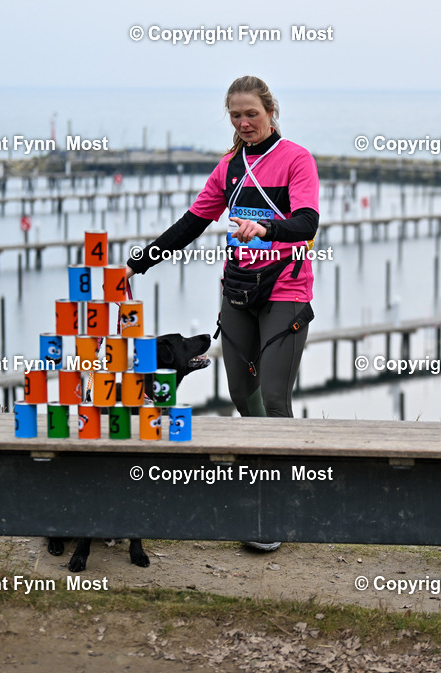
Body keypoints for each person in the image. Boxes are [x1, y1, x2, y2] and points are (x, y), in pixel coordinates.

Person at [126, 75, 320, 553]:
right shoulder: (229, 167)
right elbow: (193, 221)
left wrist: (266, 228)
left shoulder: (297, 159)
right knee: (241, 393)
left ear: (271, 111)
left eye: (251, 113)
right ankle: (265, 480)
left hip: (286, 288)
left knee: (275, 396)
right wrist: (141, 260)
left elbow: (306, 221)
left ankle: (273, 510)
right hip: (237, 289)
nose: (244, 122)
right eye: (235, 115)